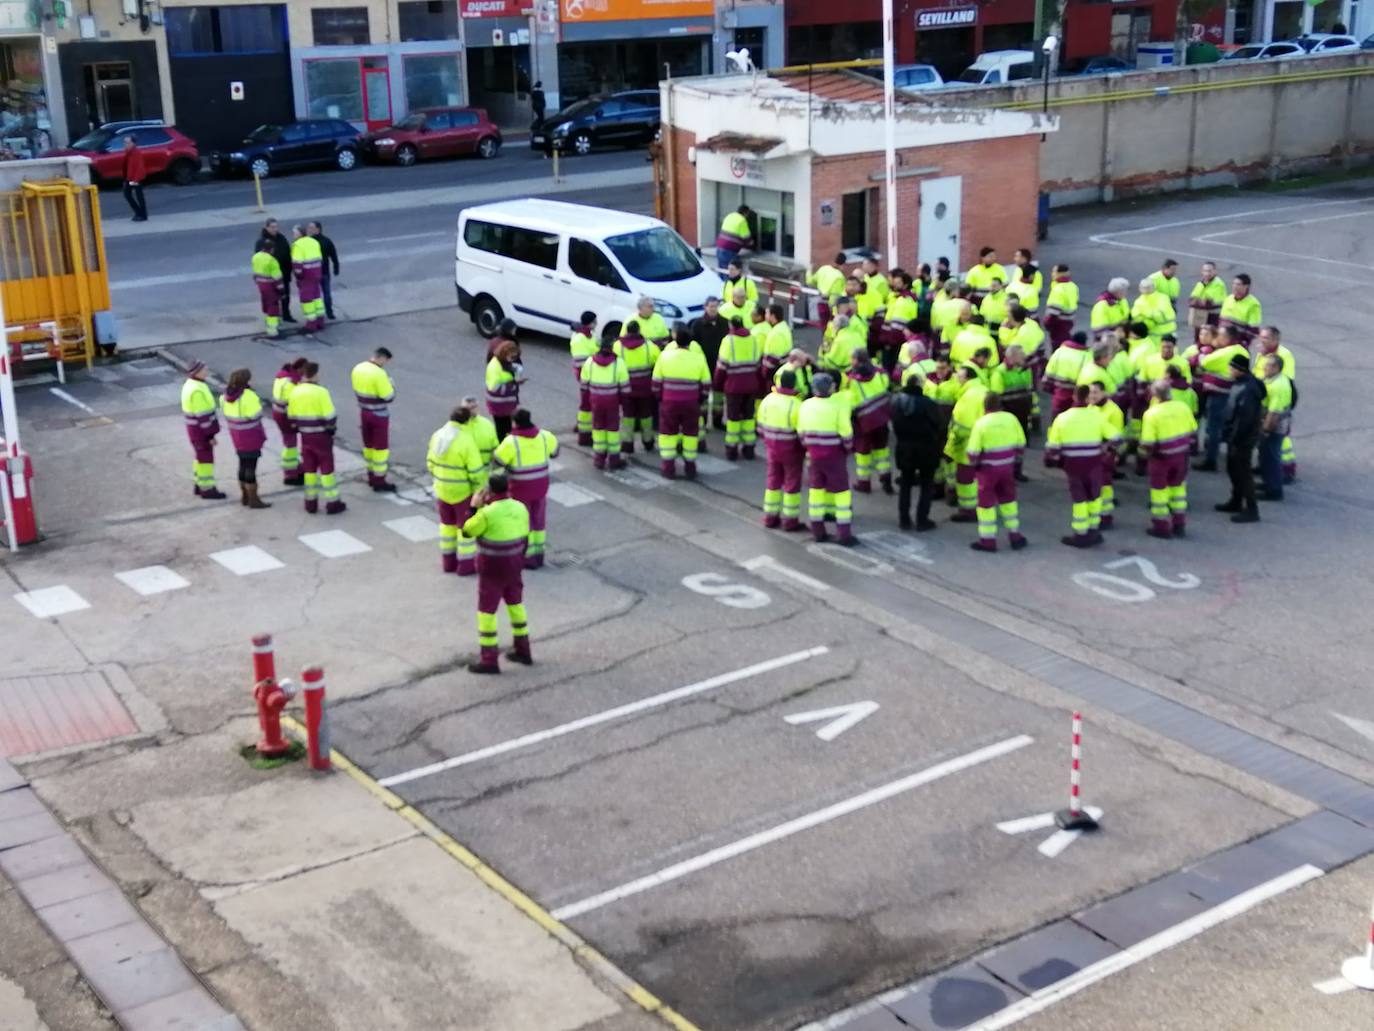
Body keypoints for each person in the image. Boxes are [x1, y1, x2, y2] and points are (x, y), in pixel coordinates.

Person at [462, 472, 532, 674]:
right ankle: (523, 650)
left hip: (491, 569)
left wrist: (474, 506)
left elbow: (467, 531)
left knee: (487, 613)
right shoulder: (520, 507)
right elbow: (525, 537)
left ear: (490, 491)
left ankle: (489, 660)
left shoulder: (487, 513)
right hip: (514, 565)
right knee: (516, 606)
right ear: (508, 488)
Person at [1045, 383, 1113, 548]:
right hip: (1094, 462)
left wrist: (1052, 460)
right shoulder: (1096, 416)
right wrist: (1105, 450)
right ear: (1088, 397)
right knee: (1094, 496)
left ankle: (1081, 534)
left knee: (1079, 498)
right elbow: (1116, 437)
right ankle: (1093, 530)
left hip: (1073, 464)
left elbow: (1053, 448)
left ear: (1074, 396)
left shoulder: (1063, 418)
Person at [493, 409, 559, 568]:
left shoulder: (511, 442)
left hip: (519, 488)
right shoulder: (545, 436)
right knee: (538, 520)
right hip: (541, 485)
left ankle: (527, 556)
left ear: (515, 423)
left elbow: (498, 462)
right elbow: (555, 453)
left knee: (523, 521)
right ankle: (539, 554)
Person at [965, 393, 1028, 553]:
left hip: (987, 470)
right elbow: (1021, 443)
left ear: (985, 407)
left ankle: (988, 541)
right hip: (1007, 467)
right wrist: (1015, 461)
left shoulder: (981, 424)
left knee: (986, 505)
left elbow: (972, 452)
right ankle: (1015, 536)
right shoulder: (1011, 419)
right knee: (1008, 501)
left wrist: (975, 466)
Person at [799, 373, 856, 545]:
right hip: (834, 454)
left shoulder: (805, 405)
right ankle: (844, 533)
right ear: (830, 388)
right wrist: (847, 448)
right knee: (841, 493)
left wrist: (809, 448)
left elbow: (801, 432)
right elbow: (846, 433)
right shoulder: (838, 405)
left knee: (816, 491)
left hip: (814, 455)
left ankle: (817, 530)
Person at [428, 406, 485, 575]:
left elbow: (430, 463)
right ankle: (466, 565)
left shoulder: (437, 435)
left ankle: (448, 563)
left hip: (442, 489)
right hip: (462, 491)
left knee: (447, 527)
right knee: (465, 528)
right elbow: (475, 471)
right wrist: (478, 491)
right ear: (467, 421)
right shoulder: (465, 440)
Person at [1139, 380, 1197, 539]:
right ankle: (1179, 524)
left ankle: (1161, 526)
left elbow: (1147, 443)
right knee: (1178, 490)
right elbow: (1193, 431)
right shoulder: (1183, 407)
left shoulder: (1151, 414)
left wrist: (1143, 457)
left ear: (1154, 396)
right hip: (1181, 456)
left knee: (1159, 493)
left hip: (1161, 459)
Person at [286, 361, 345, 515]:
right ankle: (333, 502)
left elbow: (291, 416)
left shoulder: (295, 391)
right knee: (326, 469)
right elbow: (330, 416)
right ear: (315, 375)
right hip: (321, 435)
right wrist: (330, 430)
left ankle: (310, 503)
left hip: (305, 436)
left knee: (309, 470)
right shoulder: (321, 392)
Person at [652, 326, 710, 479]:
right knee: (690, 434)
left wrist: (660, 398)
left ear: (675, 340)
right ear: (690, 342)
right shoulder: (698, 358)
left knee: (668, 434)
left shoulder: (664, 357)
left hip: (669, 402)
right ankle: (690, 468)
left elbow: (656, 382)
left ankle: (668, 468)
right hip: (691, 403)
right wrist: (700, 399)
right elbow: (706, 383)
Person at [890, 373, 946, 531]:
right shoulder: (928, 404)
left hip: (904, 447)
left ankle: (904, 520)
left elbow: (893, 422)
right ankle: (922, 520)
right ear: (920, 385)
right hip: (926, 448)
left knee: (906, 484)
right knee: (926, 485)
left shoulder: (896, 402)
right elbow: (938, 425)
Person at [1216, 353, 1266, 523]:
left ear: (1239, 369)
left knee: (1243, 474)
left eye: (1231, 367)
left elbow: (1244, 419)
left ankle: (1251, 509)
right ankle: (1236, 501)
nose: (1229, 370)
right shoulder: (1241, 384)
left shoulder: (1248, 390)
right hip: (1235, 437)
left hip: (1241, 440)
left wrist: (1235, 439)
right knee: (1233, 470)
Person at [1194, 325, 1247, 471]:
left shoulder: (1225, 352)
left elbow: (1204, 362)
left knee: (1214, 428)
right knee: (1228, 426)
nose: (1217, 338)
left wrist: (1204, 351)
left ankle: (1211, 460)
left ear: (1227, 338)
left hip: (1218, 395)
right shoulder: (1242, 350)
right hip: (1232, 396)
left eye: (1220, 335)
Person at [757, 369, 805, 530]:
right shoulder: (797, 405)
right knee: (791, 483)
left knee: (773, 481)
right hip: (791, 450)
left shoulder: (768, 400)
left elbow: (760, 425)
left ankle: (770, 517)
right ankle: (790, 520)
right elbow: (802, 433)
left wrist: (768, 441)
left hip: (772, 448)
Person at [844, 347, 893, 494]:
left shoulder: (852, 380)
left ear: (857, 361)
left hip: (864, 421)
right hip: (882, 417)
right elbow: (886, 384)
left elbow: (850, 401)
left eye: (852, 359)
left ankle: (864, 483)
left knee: (863, 452)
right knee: (882, 450)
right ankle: (886, 479)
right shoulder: (879, 372)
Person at [220, 368, 270, 509]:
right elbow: (255, 414)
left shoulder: (225, 396)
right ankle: (253, 499)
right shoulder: (249, 396)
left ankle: (245, 495)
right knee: (251, 466)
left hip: (236, 435)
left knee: (242, 464)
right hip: (251, 435)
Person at [714, 315, 761, 460]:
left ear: (731, 326)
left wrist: (717, 384)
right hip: (751, 384)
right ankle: (749, 449)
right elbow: (758, 362)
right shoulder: (753, 339)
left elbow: (722, 366)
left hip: (734, 386)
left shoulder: (728, 341)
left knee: (733, 419)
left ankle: (732, 450)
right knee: (748, 417)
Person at [946, 365, 989, 523]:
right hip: (985, 444)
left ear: (966, 379)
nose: (957, 380)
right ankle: (980, 505)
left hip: (967, 446)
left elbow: (961, 427)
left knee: (965, 481)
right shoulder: (983, 390)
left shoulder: (968, 397)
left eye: (959, 377)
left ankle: (967, 511)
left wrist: (952, 444)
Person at [350, 347, 397, 491]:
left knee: (368, 446)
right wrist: (392, 386)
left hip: (364, 411)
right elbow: (388, 397)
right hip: (379, 414)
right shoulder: (379, 374)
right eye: (386, 361)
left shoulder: (358, 368)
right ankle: (379, 480)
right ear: (382, 358)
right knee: (380, 449)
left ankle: (370, 475)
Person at [1254, 325, 1297, 481]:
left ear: (1275, 339)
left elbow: (1284, 379)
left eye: (1266, 338)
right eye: (1261, 337)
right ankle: (1264, 465)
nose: (1262, 340)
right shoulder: (1263, 353)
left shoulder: (1284, 355)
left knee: (1280, 438)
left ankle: (1286, 469)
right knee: (1263, 437)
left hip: (1276, 400)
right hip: (1264, 398)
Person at [581, 338, 629, 470]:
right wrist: (624, 404)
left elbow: (584, 385)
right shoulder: (618, 363)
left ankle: (599, 459)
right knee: (613, 430)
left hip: (596, 401)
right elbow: (625, 388)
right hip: (612, 401)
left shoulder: (590, 362)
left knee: (598, 429)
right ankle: (614, 459)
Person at [613, 320, 660, 453]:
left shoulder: (617, 346)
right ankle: (648, 442)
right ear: (639, 331)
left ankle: (627, 444)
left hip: (626, 388)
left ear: (626, 331)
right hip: (645, 388)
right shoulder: (649, 346)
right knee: (646, 416)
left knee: (627, 417)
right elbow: (658, 362)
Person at [180, 361, 225, 500]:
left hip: (195, 430)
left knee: (200, 457)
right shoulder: (197, 390)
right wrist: (210, 436)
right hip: (201, 432)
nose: (207, 371)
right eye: (204, 369)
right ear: (197, 372)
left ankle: (199, 484)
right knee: (206, 459)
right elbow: (203, 417)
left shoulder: (191, 385)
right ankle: (207, 489)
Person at [991, 344, 1033, 480]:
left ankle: (1017, 470)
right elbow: (996, 397)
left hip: (1023, 413)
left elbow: (1029, 390)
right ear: (1012, 357)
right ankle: (1006, 471)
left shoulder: (1026, 369)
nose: (1024, 358)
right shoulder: (1000, 372)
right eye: (1021, 356)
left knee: (1020, 443)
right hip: (1008, 414)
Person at [1257, 353, 1293, 502]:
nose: (1264, 367)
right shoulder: (1273, 379)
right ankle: (1267, 483)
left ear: (1277, 368)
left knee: (1272, 458)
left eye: (1269, 365)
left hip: (1274, 427)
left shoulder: (1279, 386)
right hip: (1269, 422)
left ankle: (1274, 490)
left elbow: (1274, 413)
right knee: (1266, 456)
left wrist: (1265, 430)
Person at [691, 295, 730, 433]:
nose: (713, 309)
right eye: (711, 306)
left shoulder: (725, 323)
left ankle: (717, 421)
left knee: (719, 396)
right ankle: (703, 421)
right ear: (705, 307)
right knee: (704, 397)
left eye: (715, 306)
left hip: (719, 365)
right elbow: (693, 346)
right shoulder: (697, 325)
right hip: (703, 365)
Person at [270, 357, 306, 486]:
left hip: (278, 413)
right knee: (290, 445)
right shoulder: (291, 384)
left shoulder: (282, 377)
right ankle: (290, 473)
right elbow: (295, 403)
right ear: (300, 368)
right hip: (286, 416)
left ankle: (293, 468)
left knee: (289, 442)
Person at [256, 219, 294, 323]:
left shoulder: (281, 238)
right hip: (269, 276)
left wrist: (290, 268)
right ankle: (274, 317)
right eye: (272, 227)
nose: (275, 229)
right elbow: (260, 258)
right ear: (267, 228)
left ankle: (286, 314)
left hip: (284, 272)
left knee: (285, 295)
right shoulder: (262, 241)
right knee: (272, 299)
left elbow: (288, 252)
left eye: (276, 227)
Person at [569, 312, 598, 445]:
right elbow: (581, 362)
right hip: (586, 374)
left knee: (587, 401)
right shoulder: (579, 339)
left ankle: (580, 425)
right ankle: (584, 431)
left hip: (592, 373)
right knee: (587, 402)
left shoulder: (590, 336)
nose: (596, 323)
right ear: (589, 323)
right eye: (594, 321)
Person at [485, 338, 523, 439]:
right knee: (502, 429)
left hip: (506, 404)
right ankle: (503, 448)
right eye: (512, 357)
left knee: (507, 427)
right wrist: (513, 385)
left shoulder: (504, 363)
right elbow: (494, 388)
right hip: (499, 405)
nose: (513, 359)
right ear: (504, 354)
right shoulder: (495, 367)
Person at [290, 224, 325, 332]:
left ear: (300, 233)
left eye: (294, 233)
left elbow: (297, 264)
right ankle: (320, 321)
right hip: (317, 272)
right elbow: (320, 258)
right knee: (316, 297)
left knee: (307, 299)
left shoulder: (297, 245)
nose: (293, 235)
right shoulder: (314, 241)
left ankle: (311, 324)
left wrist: (299, 276)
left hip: (306, 275)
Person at [308, 221, 340, 320]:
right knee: (320, 293)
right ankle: (324, 312)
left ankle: (327, 311)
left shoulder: (316, 241)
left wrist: (336, 267)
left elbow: (333, 255)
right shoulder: (323, 240)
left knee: (324, 293)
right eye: (309, 228)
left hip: (320, 272)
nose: (309, 230)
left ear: (318, 229)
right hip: (316, 272)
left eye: (312, 228)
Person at [1187, 261, 1226, 342]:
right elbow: (1191, 300)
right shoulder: (1200, 283)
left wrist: (1197, 302)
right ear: (1202, 271)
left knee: (1210, 342)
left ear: (1215, 272)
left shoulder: (1218, 284)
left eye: (1209, 271)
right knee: (1198, 340)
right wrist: (1199, 302)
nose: (1207, 273)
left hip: (1212, 318)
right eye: (1205, 271)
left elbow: (1208, 303)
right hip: (1200, 317)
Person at [251, 240, 283, 338]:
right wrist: (282, 291)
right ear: (271, 249)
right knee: (273, 308)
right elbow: (277, 278)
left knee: (266, 305)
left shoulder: (256, 257)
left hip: (261, 285)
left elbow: (255, 273)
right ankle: (272, 331)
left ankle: (271, 323)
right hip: (270, 287)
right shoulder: (272, 261)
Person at [1219, 273, 1262, 345]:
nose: (1234, 287)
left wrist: (1242, 341)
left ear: (1246, 286)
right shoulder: (1228, 299)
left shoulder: (1253, 304)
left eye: (1238, 284)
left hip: (1238, 342)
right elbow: (1221, 320)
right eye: (1233, 284)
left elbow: (1253, 330)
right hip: (1222, 339)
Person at [1044, 264, 1079, 346]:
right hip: (1069, 321)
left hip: (1058, 324)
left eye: (1054, 272)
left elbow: (1053, 313)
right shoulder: (1073, 286)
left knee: (1057, 346)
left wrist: (1047, 324)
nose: (1052, 274)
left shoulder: (1058, 289)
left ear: (1060, 274)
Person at [807, 253, 847, 325]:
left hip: (820, 303)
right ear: (843, 265)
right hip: (830, 306)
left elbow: (810, 281)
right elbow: (835, 295)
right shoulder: (839, 277)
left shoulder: (824, 269)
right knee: (833, 328)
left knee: (824, 327)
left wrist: (808, 271)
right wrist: (833, 311)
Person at [1132, 277, 1176, 341]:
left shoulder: (1163, 298)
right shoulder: (1138, 301)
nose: (1146, 290)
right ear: (1140, 289)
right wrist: (1151, 321)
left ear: (1153, 287)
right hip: (1152, 337)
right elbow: (1136, 317)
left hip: (1169, 336)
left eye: (1148, 287)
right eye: (1143, 287)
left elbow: (1162, 316)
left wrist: (1144, 312)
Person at [121, 135, 147, 222]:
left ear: (133, 143)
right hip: (130, 178)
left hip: (135, 178)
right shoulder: (127, 152)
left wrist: (135, 180)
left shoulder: (136, 152)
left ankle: (142, 214)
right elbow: (126, 166)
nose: (126, 144)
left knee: (138, 195)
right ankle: (139, 213)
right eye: (125, 142)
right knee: (128, 194)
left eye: (128, 142)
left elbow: (139, 167)